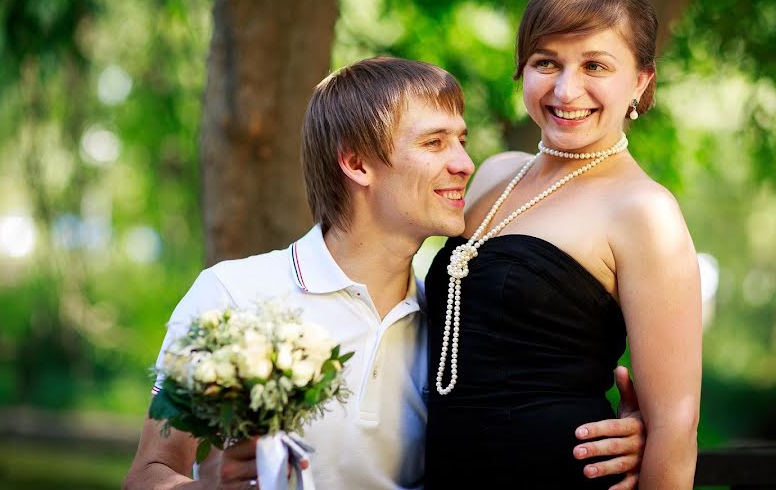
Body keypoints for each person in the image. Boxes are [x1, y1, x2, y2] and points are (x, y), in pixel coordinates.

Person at [124, 57, 647, 490]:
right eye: (435, 142)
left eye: (462, 141)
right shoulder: (232, 295)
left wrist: (619, 438)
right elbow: (150, 473)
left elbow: (514, 427)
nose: (465, 163)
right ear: (357, 164)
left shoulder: (451, 336)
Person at [425, 0, 703, 489]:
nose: (567, 89)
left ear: (641, 81)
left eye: (596, 65)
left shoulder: (644, 211)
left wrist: (651, 436)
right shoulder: (495, 172)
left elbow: (676, 426)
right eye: (545, 62)